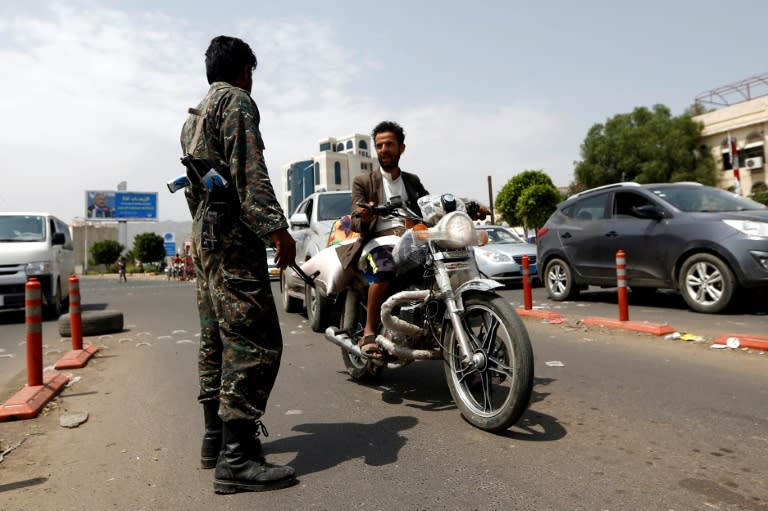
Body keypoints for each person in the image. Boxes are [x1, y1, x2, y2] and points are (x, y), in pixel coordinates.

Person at [179, 35, 297, 494]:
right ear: (245, 69)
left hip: (206, 238)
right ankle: (237, 458)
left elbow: (196, 189)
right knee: (254, 342)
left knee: (216, 339)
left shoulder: (191, 119)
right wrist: (276, 229)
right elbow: (249, 173)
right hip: (232, 242)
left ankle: (215, 439)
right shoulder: (237, 102)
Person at [337, 121, 428, 359]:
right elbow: (355, 219)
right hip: (379, 241)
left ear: (401, 148)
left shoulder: (412, 181)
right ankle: (368, 332)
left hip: (412, 240)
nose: (384, 149)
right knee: (385, 269)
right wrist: (365, 213)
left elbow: (430, 205)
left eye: (389, 144)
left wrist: (465, 206)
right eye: (379, 145)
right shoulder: (364, 181)